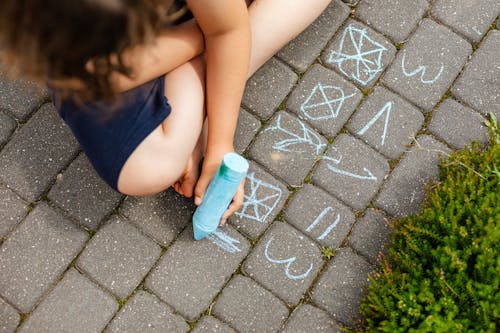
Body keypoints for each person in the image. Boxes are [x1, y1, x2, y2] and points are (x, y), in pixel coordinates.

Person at [0, 0, 331, 225]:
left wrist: (219, 145)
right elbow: (89, 74)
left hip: (211, 21)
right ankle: (210, 70)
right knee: (144, 168)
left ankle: (211, 72)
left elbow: (226, 30)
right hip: (186, 24)